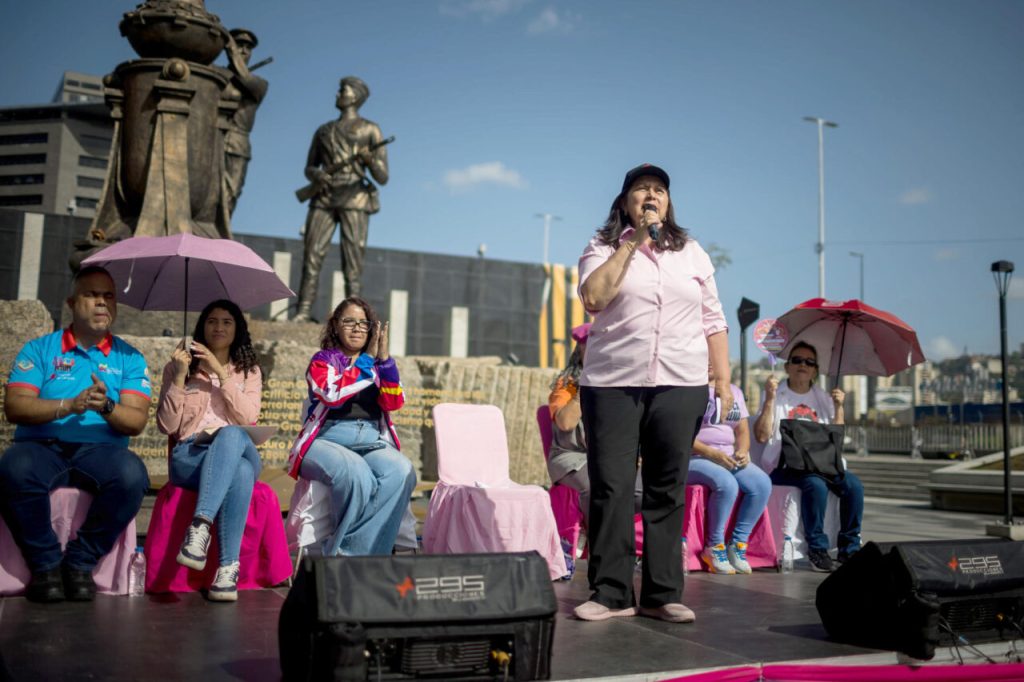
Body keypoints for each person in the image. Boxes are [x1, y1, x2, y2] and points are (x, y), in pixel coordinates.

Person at [572, 164, 732, 624]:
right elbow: (595, 299)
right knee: (612, 487)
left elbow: (714, 319)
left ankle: (663, 593)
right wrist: (631, 242)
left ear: (669, 202)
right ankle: (610, 593)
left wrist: (721, 379)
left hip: (680, 383)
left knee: (667, 487)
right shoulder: (601, 246)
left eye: (659, 190)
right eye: (642, 189)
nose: (651, 195)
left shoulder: (692, 252)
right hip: (612, 384)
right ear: (625, 202)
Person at [0, 266, 151, 602]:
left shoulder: (130, 357)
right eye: (91, 294)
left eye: (108, 296)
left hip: (101, 452)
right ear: (71, 302)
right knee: (14, 467)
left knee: (131, 475)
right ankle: (45, 566)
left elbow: (136, 420)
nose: (101, 303)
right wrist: (68, 405)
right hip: (41, 446)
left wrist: (106, 406)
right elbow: (15, 406)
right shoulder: (39, 349)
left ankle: (80, 563)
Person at [287, 296, 416, 556]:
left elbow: (394, 402)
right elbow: (331, 394)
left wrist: (386, 361)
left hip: (371, 440)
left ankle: (354, 556)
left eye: (363, 323)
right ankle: (352, 560)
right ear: (335, 326)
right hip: (326, 440)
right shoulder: (323, 360)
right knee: (356, 475)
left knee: (403, 472)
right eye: (349, 321)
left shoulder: (378, 366)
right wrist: (367, 361)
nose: (357, 328)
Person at [156, 299, 263, 601]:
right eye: (212, 320)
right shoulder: (180, 367)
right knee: (239, 472)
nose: (218, 327)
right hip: (189, 457)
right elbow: (167, 426)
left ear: (237, 329)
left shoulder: (249, 372)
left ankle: (200, 526)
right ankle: (228, 569)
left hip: (241, 447)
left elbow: (247, 419)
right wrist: (178, 377)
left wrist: (222, 374)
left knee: (231, 434)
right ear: (202, 327)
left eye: (227, 321)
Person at [753, 341, 864, 573]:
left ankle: (849, 548)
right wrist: (770, 400)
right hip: (785, 466)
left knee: (853, 485)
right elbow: (762, 436)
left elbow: (837, 440)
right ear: (787, 366)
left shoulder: (823, 398)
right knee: (815, 485)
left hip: (820, 464)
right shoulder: (777, 394)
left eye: (809, 362)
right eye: (797, 360)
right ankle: (817, 549)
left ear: (815, 370)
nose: (803, 365)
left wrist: (839, 407)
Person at [294, 76, 389, 319]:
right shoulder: (324, 130)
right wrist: (316, 174)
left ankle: (355, 316)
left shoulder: (371, 129)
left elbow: (383, 176)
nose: (337, 93)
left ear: (355, 96)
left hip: (355, 197)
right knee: (311, 255)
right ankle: (303, 311)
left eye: (342, 90)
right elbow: (309, 166)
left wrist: (369, 159)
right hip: (324, 196)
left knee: (353, 261)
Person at [548, 322, 643, 532]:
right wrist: (588, 385)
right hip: (571, 457)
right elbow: (565, 423)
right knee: (597, 488)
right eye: (588, 346)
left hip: (610, 457)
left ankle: (616, 538)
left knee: (645, 492)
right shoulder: (568, 385)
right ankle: (600, 542)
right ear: (579, 351)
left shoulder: (618, 384)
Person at [688, 365, 771, 574]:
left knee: (761, 484)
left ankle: (738, 545)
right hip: (694, 457)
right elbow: (680, 435)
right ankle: (714, 547)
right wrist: (711, 453)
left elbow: (742, 430)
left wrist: (742, 450)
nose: (708, 362)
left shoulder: (734, 391)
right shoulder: (688, 390)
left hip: (727, 456)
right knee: (726, 483)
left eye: (713, 358)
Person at [222, 29, 269, 217]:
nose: (243, 51)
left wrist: (232, 54)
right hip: (210, 140)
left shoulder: (259, 84)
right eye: (239, 45)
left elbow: (245, 79)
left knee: (229, 196)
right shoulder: (218, 76)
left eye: (247, 48)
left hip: (237, 145)